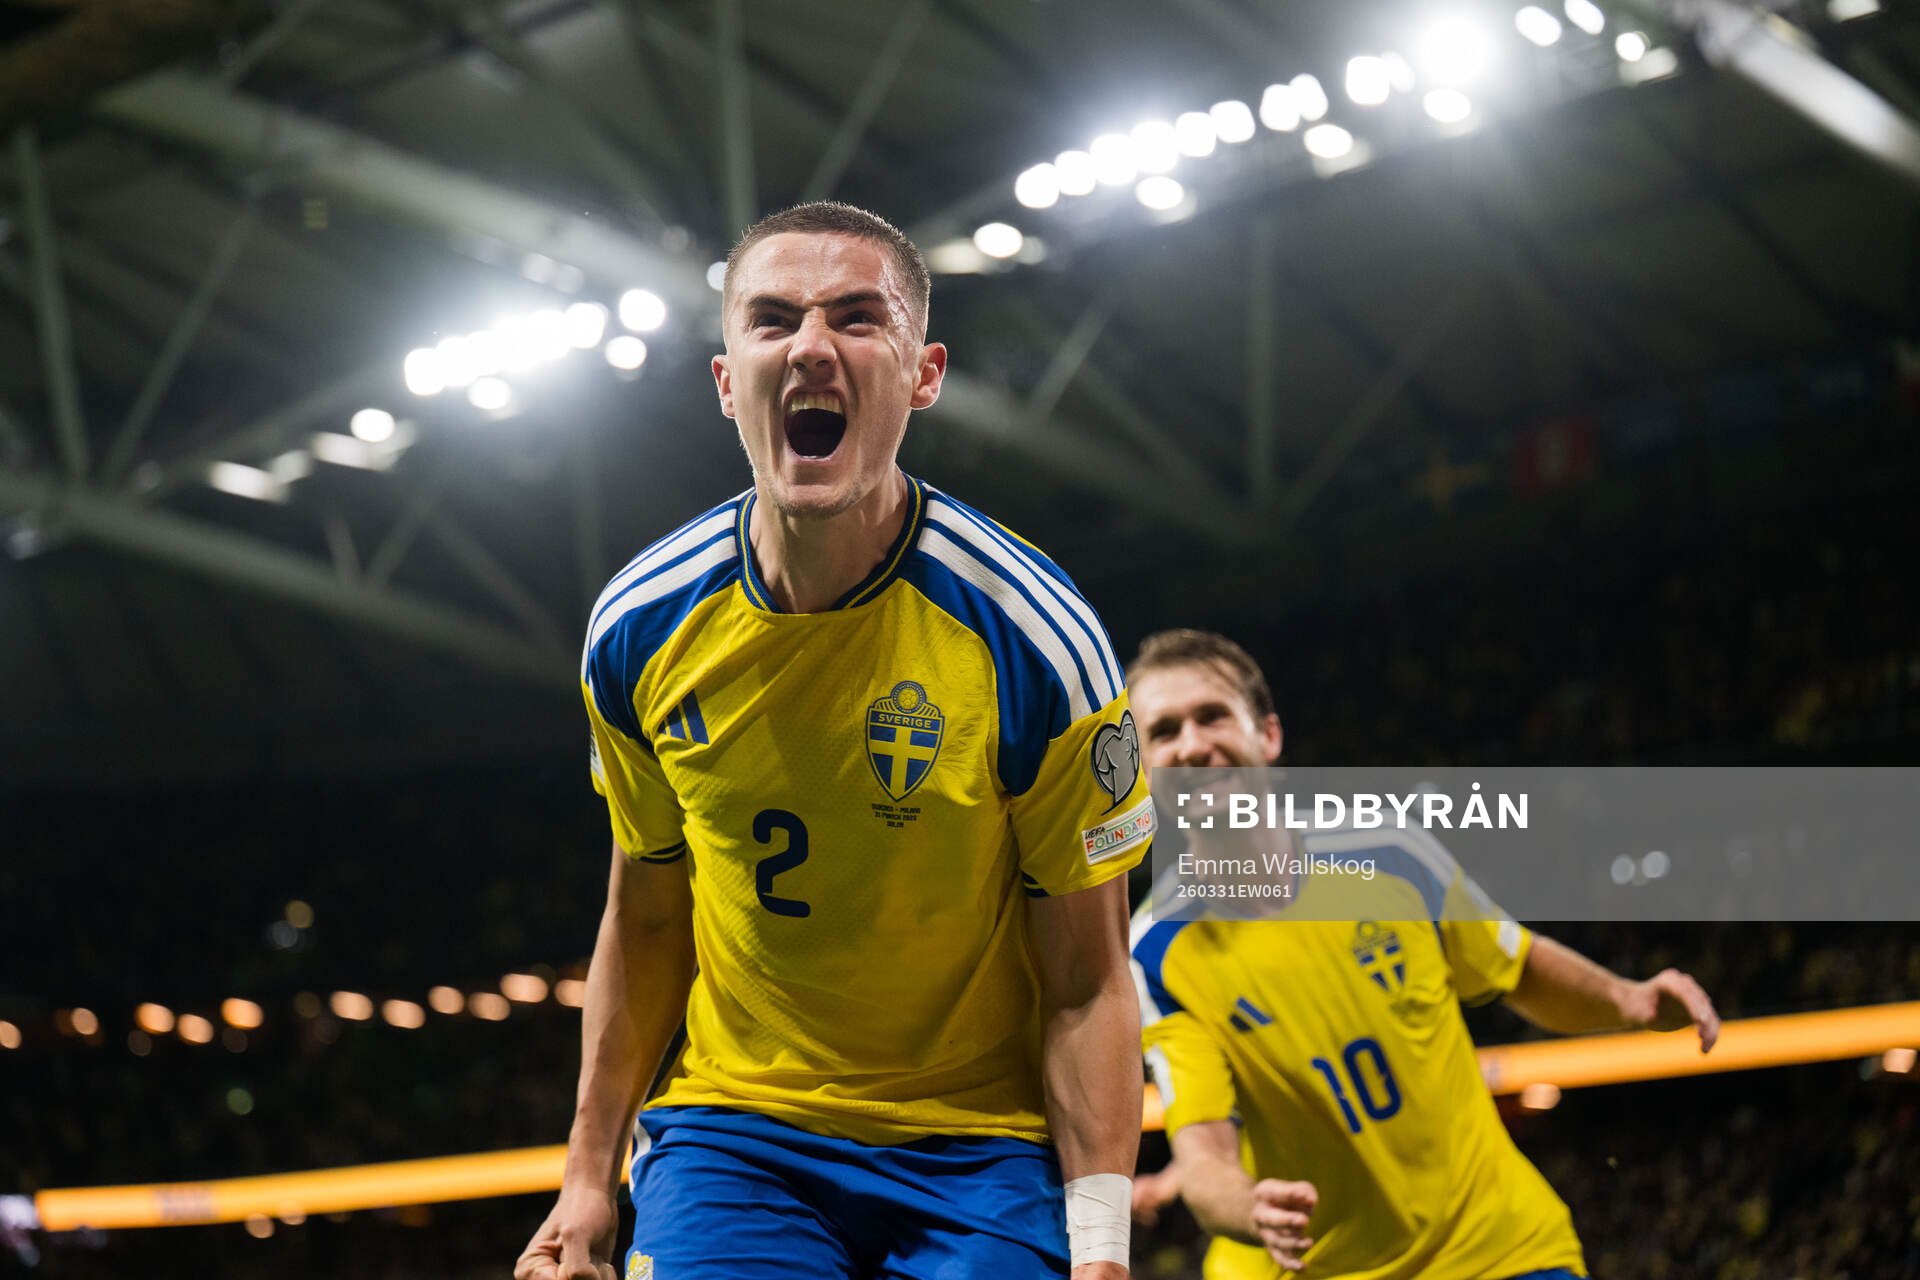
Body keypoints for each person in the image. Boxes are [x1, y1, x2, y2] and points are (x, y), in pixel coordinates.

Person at [515, 202, 1153, 1280]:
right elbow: (647, 908)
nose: (812, 344)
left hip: (979, 1149)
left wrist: (1101, 1249)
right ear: (728, 383)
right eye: (772, 320)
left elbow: (1090, 978)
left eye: (858, 318)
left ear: (922, 373)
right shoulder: (639, 628)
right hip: (737, 1134)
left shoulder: (1037, 641)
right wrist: (585, 1179)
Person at [1124, 628, 1720, 1279]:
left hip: (1497, 1248)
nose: (1191, 745)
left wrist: (1627, 1000)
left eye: (1211, 715)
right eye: (1164, 731)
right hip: (1316, 1268)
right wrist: (1249, 1208)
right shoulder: (1156, 949)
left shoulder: (1389, 854)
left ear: (1268, 735)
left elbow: (1513, 965)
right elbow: (1204, 1152)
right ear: (1146, 772)